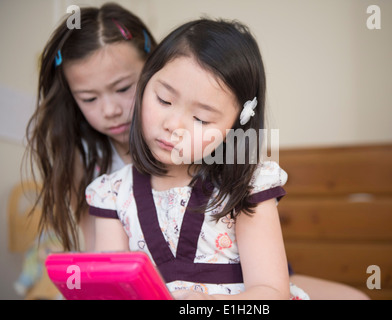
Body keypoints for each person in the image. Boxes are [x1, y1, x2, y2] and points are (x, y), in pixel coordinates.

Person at [87, 18, 310, 300]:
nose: (173, 125)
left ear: (234, 128)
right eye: (164, 100)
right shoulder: (112, 194)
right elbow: (111, 291)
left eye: (201, 119)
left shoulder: (246, 187)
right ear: (145, 85)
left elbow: (270, 293)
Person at [17, 2, 156, 298]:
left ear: (155, 69)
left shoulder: (191, 140)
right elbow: (100, 254)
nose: (109, 110)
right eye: (89, 98)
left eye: (122, 88)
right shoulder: (84, 159)